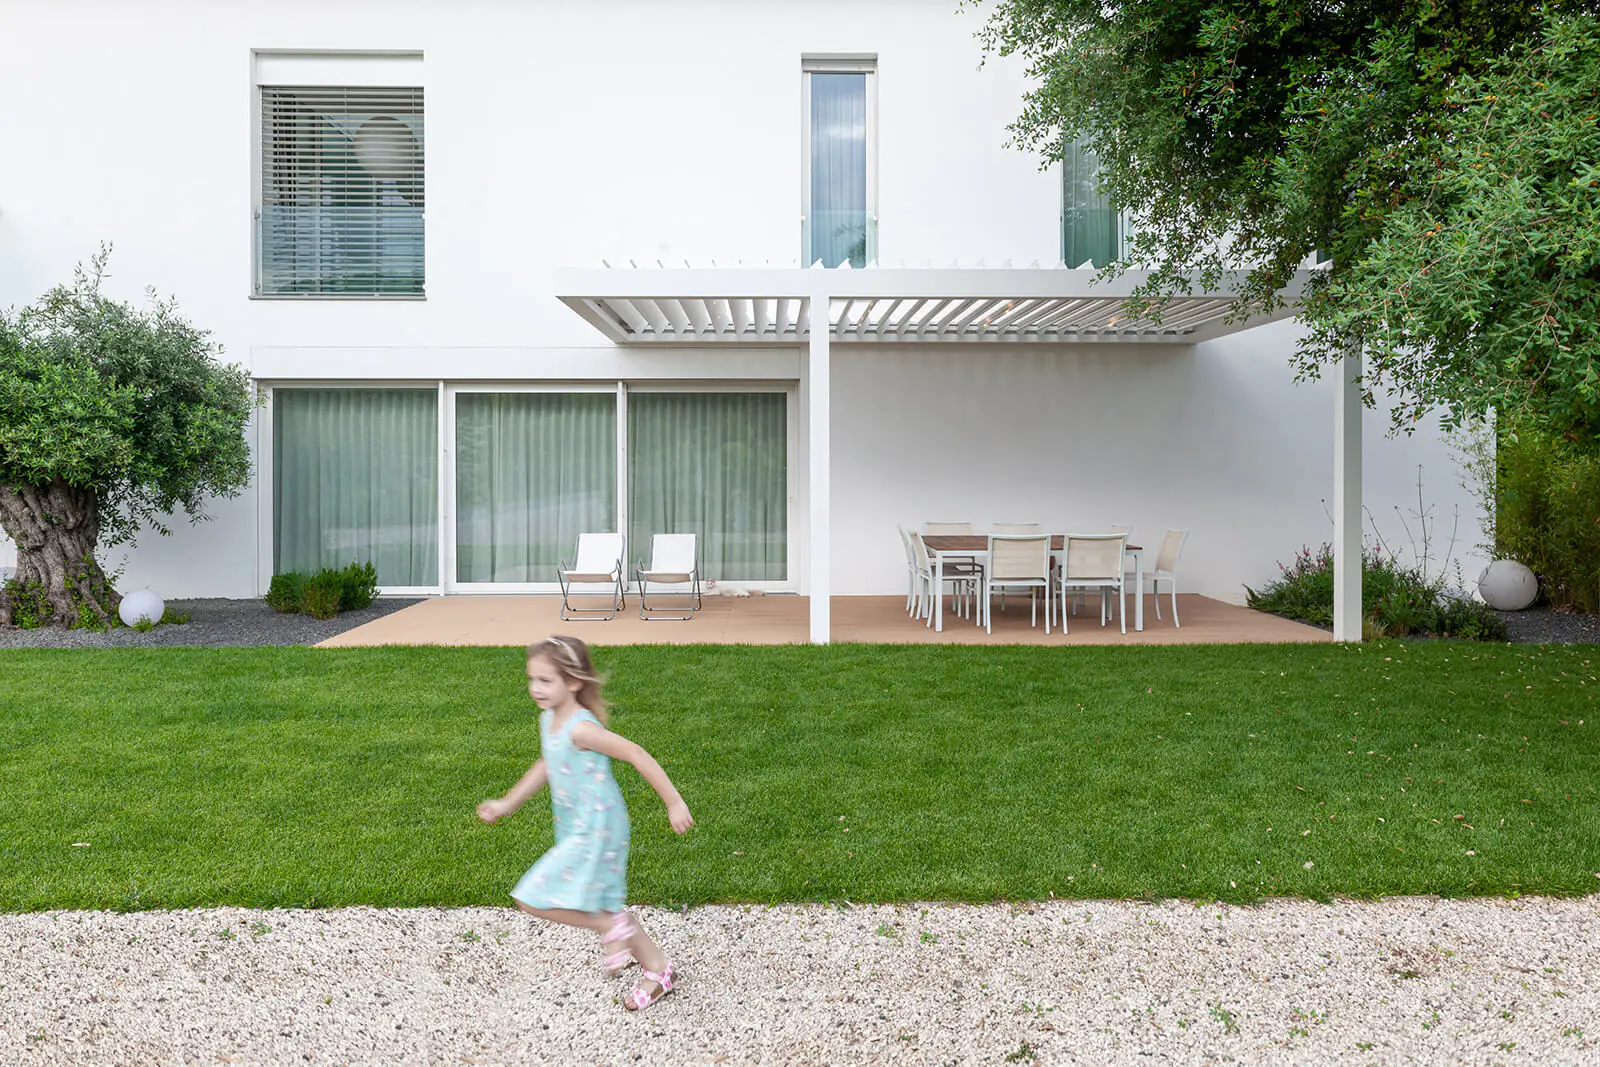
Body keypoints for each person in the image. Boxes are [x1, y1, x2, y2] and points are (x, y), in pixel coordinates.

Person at [477, 635, 694, 1011]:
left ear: (573, 682)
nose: (535, 689)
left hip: (598, 828)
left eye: (546, 681)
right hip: (580, 824)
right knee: (609, 907)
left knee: (530, 896)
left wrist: (674, 802)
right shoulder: (549, 720)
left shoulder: (581, 729)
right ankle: (658, 970)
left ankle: (610, 930)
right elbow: (547, 763)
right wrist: (508, 803)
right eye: (531, 679)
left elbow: (636, 754)